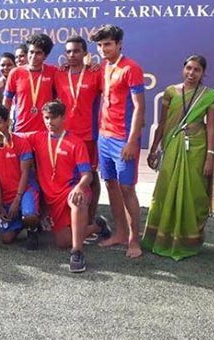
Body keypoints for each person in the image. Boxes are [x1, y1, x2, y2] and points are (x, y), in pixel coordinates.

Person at [143, 55, 214, 260]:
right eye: (188, 68)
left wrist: (210, 156)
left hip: (197, 147)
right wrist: (153, 150)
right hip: (172, 145)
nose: (191, 73)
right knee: (166, 188)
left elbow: (212, 128)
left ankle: (188, 240)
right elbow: (162, 123)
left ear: (203, 73)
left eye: (197, 70)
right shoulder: (171, 92)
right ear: (183, 69)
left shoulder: (210, 95)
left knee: (193, 191)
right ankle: (160, 238)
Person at [90, 24, 145, 258]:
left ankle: (134, 240)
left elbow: (140, 107)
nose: (104, 49)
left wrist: (132, 141)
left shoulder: (132, 68)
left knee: (127, 188)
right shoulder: (103, 67)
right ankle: (120, 233)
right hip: (104, 136)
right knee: (111, 184)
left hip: (123, 139)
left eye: (108, 44)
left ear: (119, 44)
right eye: (100, 45)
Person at [26, 101, 97, 272]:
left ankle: (77, 253)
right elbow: (12, 136)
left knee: (78, 199)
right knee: (62, 242)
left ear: (63, 118)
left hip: (71, 190)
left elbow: (87, 175)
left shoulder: (75, 142)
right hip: (51, 197)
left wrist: (79, 187)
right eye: (46, 118)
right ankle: (97, 227)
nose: (50, 122)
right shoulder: (37, 137)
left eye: (54, 118)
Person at [52, 35, 108, 237]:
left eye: (76, 51)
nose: (72, 55)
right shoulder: (59, 74)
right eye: (68, 51)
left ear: (85, 53)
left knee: (90, 177)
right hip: (64, 136)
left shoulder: (96, 73)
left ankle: (91, 220)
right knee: (64, 176)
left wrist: (96, 64)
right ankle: (63, 216)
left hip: (87, 137)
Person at [0, 104, 41, 249]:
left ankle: (32, 229)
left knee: (30, 215)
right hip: (6, 194)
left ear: (7, 122)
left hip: (25, 189)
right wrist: (1, 206)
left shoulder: (21, 142)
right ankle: (21, 222)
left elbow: (25, 173)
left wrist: (17, 199)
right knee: (6, 239)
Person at [3, 33, 56, 134]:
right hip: (21, 131)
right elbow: (7, 101)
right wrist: (4, 125)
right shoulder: (15, 73)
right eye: (31, 52)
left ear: (45, 56)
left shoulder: (53, 72)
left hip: (44, 132)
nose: (33, 56)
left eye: (38, 53)